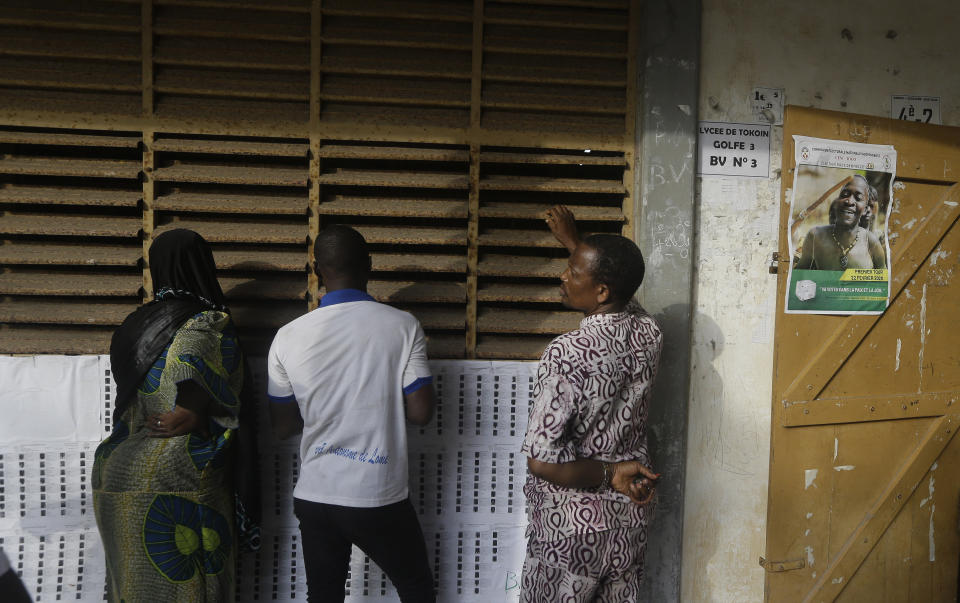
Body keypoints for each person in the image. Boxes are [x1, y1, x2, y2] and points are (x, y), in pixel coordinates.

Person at [267, 224, 436, 603]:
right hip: (376, 495)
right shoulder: (403, 326)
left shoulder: (287, 335)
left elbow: (282, 427)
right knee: (415, 589)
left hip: (315, 496)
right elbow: (421, 412)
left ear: (316, 272)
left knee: (323, 595)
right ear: (369, 266)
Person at [92, 229, 260, 602]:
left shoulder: (133, 325)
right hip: (178, 468)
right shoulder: (207, 321)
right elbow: (192, 356)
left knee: (134, 585)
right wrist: (192, 408)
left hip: (117, 464)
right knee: (192, 585)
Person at [520, 205, 662, 602]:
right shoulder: (649, 333)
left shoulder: (568, 352)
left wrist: (610, 472)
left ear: (601, 291)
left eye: (574, 272)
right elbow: (624, 295)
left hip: (573, 530)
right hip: (629, 523)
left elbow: (542, 461)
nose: (563, 276)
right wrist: (576, 246)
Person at [796, 174, 886, 270]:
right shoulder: (815, 237)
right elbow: (799, 275)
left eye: (858, 198)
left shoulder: (872, 243)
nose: (849, 201)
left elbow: (883, 281)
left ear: (865, 209)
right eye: (845, 195)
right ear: (836, 203)